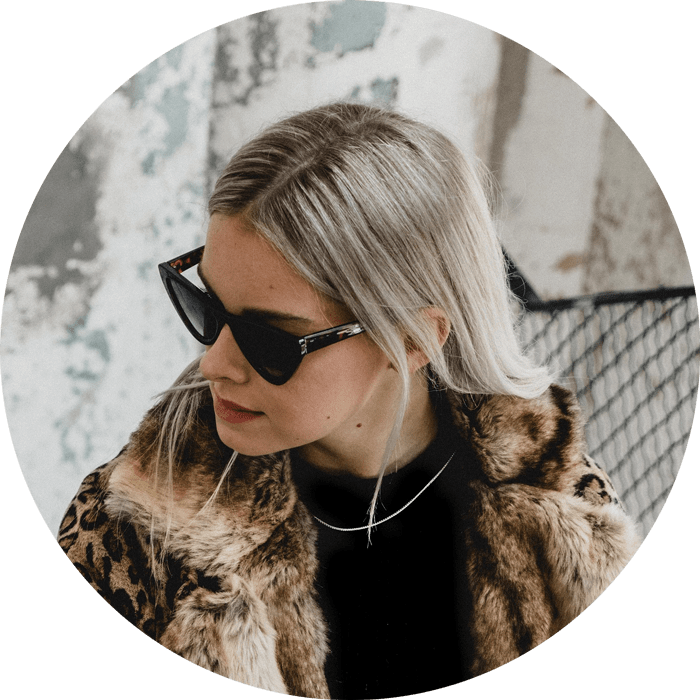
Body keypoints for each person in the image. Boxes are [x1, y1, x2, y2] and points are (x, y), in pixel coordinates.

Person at [58, 102, 640, 698]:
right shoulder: (135, 527)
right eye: (207, 306)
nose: (214, 364)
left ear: (412, 339)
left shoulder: (564, 506)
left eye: (270, 338)